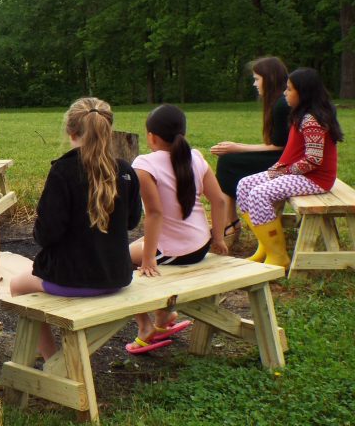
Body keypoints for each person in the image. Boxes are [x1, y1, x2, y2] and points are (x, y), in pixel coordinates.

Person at [6, 98, 141, 360]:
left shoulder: (63, 171)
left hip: (73, 279)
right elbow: (131, 222)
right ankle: (50, 357)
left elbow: (47, 234)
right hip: (117, 275)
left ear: (71, 131)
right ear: (108, 129)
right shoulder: (124, 170)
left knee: (17, 285)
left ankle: (52, 360)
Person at [127, 104, 230, 354]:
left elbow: (154, 214)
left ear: (151, 137)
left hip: (175, 251)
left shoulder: (144, 164)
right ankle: (164, 317)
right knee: (132, 249)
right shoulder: (195, 156)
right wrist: (218, 238)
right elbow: (219, 201)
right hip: (200, 244)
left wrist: (149, 258)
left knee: (115, 261)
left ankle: (145, 326)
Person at [236, 68, 343, 269]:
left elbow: (313, 160)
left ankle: (278, 257)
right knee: (244, 185)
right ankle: (265, 247)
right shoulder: (301, 115)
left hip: (315, 178)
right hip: (301, 174)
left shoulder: (312, 120)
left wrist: (283, 171)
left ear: (303, 93)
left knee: (259, 194)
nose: (285, 93)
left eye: (289, 89)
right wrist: (279, 169)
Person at [211, 57, 290, 250]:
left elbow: (280, 146)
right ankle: (231, 222)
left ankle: (231, 224)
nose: (254, 84)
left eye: (257, 79)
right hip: (283, 157)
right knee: (228, 161)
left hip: (287, 162)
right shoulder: (277, 102)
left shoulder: (282, 105)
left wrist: (238, 147)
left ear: (269, 79)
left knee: (229, 162)